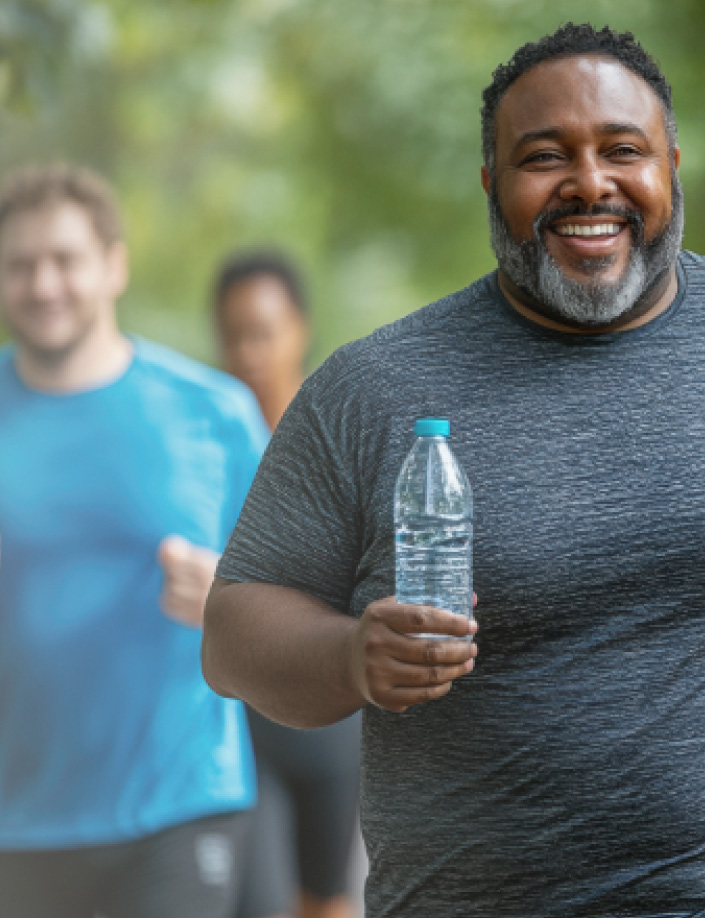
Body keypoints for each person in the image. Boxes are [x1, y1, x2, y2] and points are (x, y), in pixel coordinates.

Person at [202, 24, 705, 918]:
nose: (590, 183)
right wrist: (350, 657)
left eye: (622, 150)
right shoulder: (372, 392)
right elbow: (233, 627)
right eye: (543, 157)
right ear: (490, 182)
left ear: (672, 165)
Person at [0, 164, 268, 916]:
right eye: (20, 265)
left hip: (178, 800)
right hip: (18, 818)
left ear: (113, 265)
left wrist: (230, 594)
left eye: (65, 260)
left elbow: (302, 591)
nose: (44, 284)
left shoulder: (212, 413)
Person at [213, 249, 363, 918]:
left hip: (331, 718)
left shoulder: (340, 431)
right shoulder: (210, 440)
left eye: (263, 333)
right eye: (233, 336)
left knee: (326, 900)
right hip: (242, 722)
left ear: (300, 328)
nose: (248, 353)